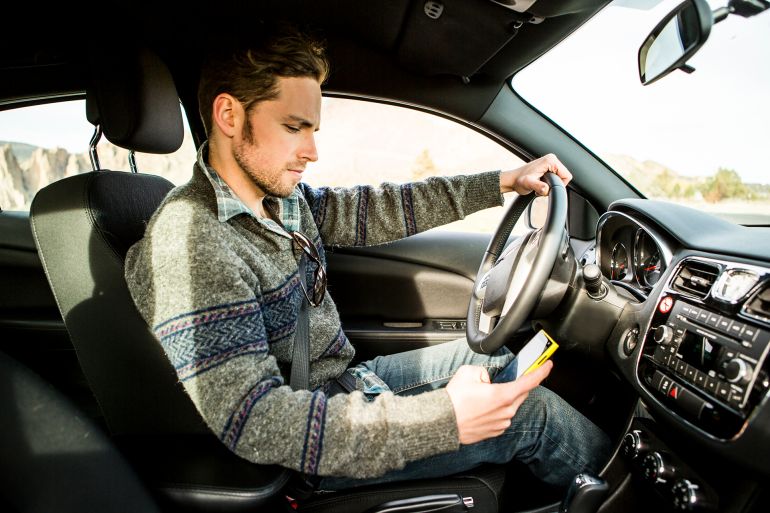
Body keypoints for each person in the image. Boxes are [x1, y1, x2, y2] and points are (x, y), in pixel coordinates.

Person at [124, 25, 611, 491]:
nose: (312, 150)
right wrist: (445, 421)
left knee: (494, 361)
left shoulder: (277, 201)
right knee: (532, 415)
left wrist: (502, 182)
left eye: (313, 129)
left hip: (344, 385)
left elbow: (380, 207)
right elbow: (256, 421)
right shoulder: (191, 242)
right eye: (294, 127)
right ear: (230, 116)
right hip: (314, 446)